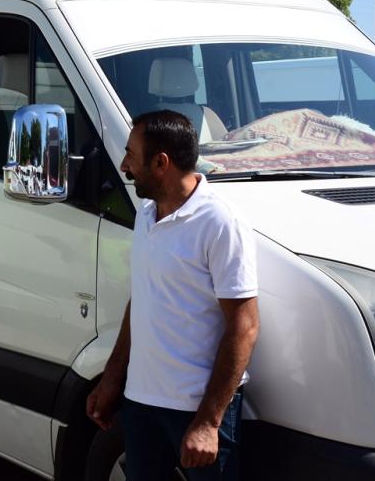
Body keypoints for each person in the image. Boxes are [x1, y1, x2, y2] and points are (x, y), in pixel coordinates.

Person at [85, 109, 260, 480]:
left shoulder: (220, 221)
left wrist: (209, 422)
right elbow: (143, 299)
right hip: (142, 404)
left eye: (131, 154)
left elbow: (244, 327)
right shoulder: (147, 216)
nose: (123, 165)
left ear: (161, 162)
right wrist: (113, 377)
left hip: (195, 410)